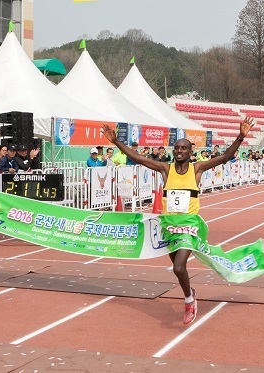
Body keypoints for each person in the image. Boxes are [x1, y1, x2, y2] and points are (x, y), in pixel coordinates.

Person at [101, 118, 253, 324]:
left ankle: (189, 300)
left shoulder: (197, 169)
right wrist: (116, 142)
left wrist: (241, 136)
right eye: (177, 148)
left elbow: (225, 156)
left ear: (190, 152)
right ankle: (189, 290)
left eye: (184, 148)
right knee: (178, 267)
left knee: (179, 268)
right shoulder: (166, 169)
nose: (180, 150)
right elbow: (137, 158)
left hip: (189, 224)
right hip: (168, 224)